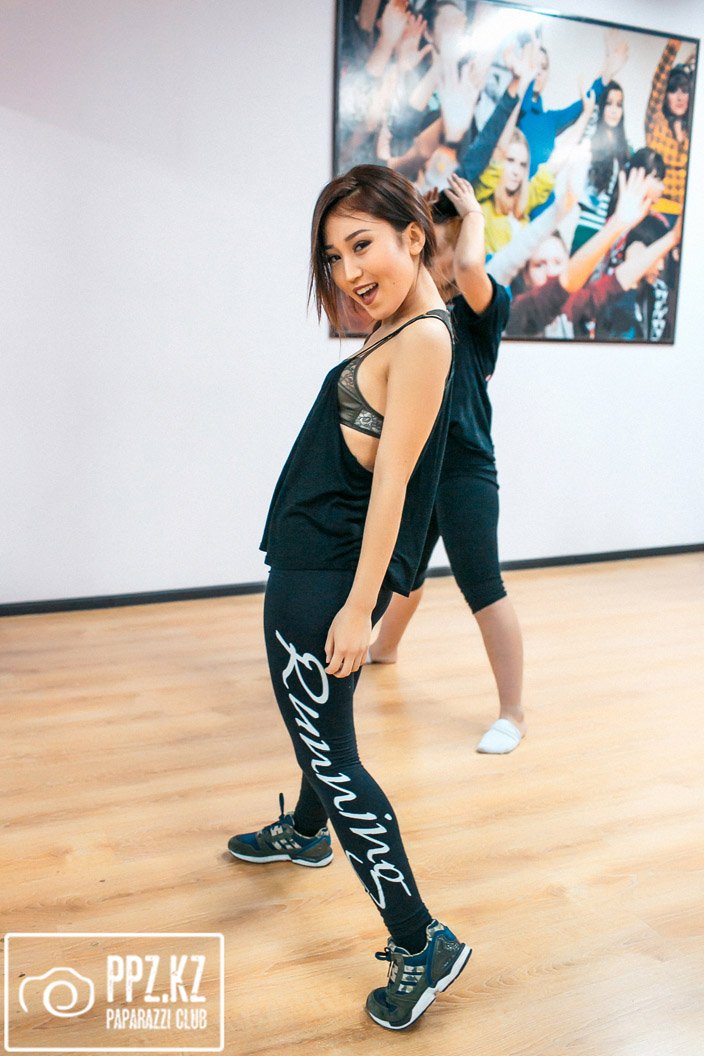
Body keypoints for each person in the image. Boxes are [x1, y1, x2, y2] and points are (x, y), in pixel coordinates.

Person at [228, 164, 471, 1031]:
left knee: (333, 755)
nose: (348, 271)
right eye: (333, 257)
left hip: (324, 579)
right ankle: (305, 832)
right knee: (318, 729)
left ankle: (421, 940)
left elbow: (394, 485)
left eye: (361, 245)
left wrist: (359, 609)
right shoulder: (402, 325)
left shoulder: (424, 338)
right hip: (315, 565)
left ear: (412, 236)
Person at [369, 172, 526, 755]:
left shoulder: (484, 310)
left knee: (483, 586)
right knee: (403, 574)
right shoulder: (410, 319)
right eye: (429, 247)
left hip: (465, 472)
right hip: (416, 468)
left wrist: (475, 215)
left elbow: (468, 269)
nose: (437, 262)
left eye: (443, 248)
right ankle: (385, 648)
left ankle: (512, 713)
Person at [571, 81, 630, 253]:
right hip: (583, 227)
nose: (614, 110)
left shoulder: (624, 149)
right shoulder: (591, 139)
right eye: (609, 104)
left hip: (604, 233)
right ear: (602, 106)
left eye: (618, 105)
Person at [645, 39, 695, 218]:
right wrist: (677, 40)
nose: (680, 97)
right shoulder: (657, 124)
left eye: (685, 91)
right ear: (666, 96)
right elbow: (659, 80)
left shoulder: (693, 132)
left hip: (686, 217)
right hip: (657, 213)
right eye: (673, 91)